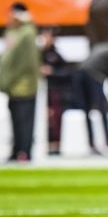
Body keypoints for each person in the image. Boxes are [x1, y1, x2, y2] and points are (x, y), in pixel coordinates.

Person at [0, 3, 40, 162]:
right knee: (16, 119)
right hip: (13, 85)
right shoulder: (13, 32)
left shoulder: (27, 33)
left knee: (25, 120)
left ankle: (24, 151)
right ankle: (16, 150)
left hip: (23, 85)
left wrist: (10, 79)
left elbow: (27, 62)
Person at [71, 41, 108, 154]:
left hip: (80, 72)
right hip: (94, 75)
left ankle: (91, 145)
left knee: (87, 110)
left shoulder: (105, 47)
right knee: (103, 110)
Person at [38, 28, 71, 156]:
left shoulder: (56, 55)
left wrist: (52, 72)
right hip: (41, 92)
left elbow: (67, 73)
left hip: (55, 92)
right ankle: (45, 144)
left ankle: (55, 145)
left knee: (55, 119)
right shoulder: (39, 54)